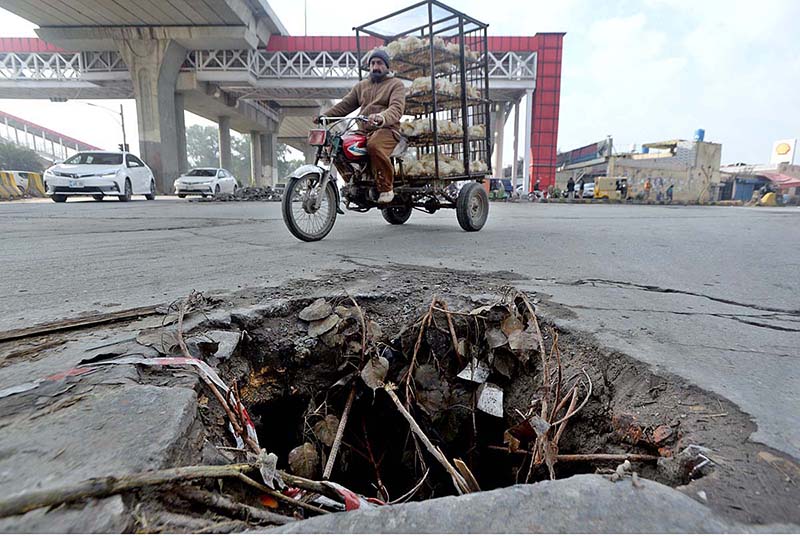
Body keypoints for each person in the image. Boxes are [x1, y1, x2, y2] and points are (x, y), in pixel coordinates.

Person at [316, 49, 405, 204]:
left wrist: (381, 117)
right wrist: (326, 117)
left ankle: (385, 188)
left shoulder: (396, 84)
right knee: (336, 146)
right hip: (363, 130)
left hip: (387, 130)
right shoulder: (361, 86)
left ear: (387, 66)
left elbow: (396, 109)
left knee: (374, 146)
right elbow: (345, 105)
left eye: (379, 63)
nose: (375, 66)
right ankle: (353, 184)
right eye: (372, 63)